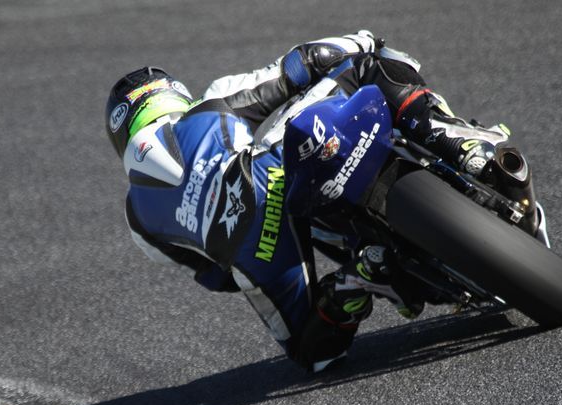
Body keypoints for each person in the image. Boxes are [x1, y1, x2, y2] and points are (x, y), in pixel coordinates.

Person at [105, 30, 511, 372]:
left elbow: (215, 276)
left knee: (312, 351)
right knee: (365, 66)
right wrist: (362, 40)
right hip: (271, 172)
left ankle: (353, 282)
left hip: (249, 246)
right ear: (172, 94)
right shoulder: (210, 103)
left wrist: (252, 248)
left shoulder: (137, 220)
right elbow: (300, 65)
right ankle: (457, 143)